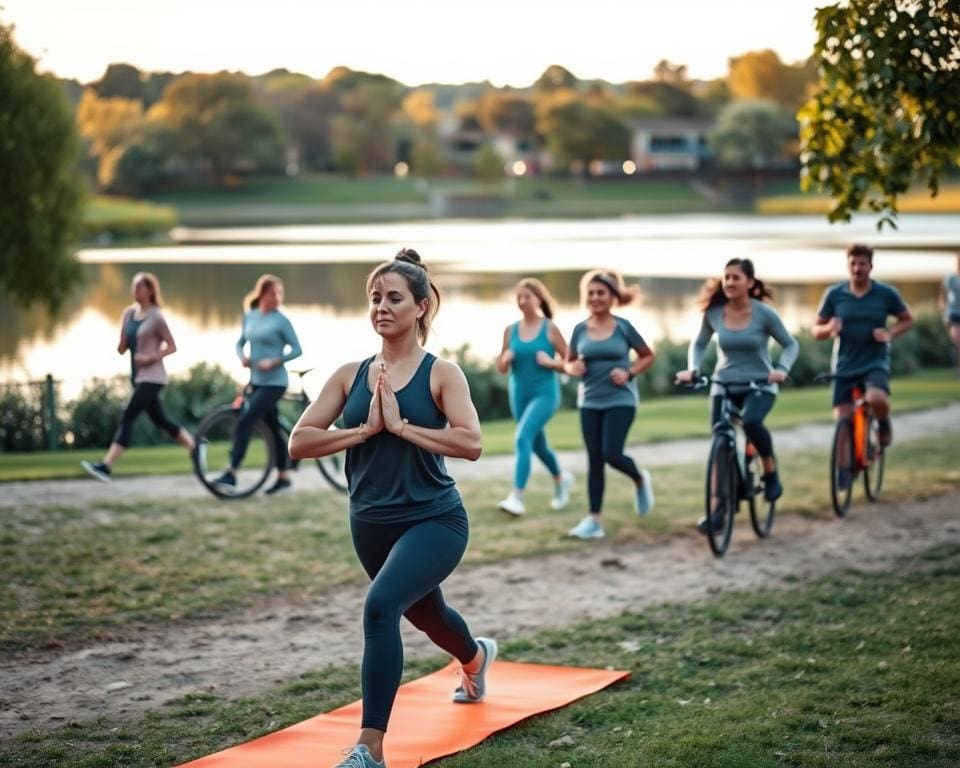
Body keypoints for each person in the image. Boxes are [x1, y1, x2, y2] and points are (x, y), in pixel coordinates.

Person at [288, 249, 495, 768]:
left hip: (434, 519)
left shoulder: (441, 373)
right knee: (429, 616)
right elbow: (299, 441)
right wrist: (363, 430)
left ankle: (369, 750)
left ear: (421, 307)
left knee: (380, 608)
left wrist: (403, 428)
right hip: (370, 523)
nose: (381, 307)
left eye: (394, 298)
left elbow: (471, 443)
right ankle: (474, 657)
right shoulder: (348, 375)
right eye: (375, 298)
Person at [676, 258, 799, 532]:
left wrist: (781, 369)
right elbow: (698, 344)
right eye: (727, 277)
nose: (730, 282)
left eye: (736, 277)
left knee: (752, 422)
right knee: (720, 442)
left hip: (760, 385)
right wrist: (693, 369)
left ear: (750, 283)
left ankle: (769, 471)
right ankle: (718, 511)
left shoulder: (763, 314)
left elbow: (790, 345)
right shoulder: (715, 313)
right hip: (724, 384)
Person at [563, 269, 655, 540]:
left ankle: (639, 478)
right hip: (590, 401)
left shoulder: (623, 326)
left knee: (611, 453)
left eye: (600, 292)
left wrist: (630, 372)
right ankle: (594, 521)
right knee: (595, 460)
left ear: (612, 296)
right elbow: (568, 362)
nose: (595, 298)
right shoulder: (580, 329)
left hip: (621, 399)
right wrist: (573, 367)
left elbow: (647, 355)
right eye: (590, 293)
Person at [812, 244, 913, 486]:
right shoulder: (834, 294)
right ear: (848, 265)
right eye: (853, 263)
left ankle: (884, 424)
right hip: (845, 365)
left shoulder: (885, 293)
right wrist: (829, 329)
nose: (857, 268)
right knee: (843, 418)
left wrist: (889, 334)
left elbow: (907, 319)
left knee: (877, 398)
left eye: (862, 264)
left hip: (874, 361)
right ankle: (844, 472)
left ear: (871, 266)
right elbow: (816, 330)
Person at [81, 272, 195, 482]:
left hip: (153, 376)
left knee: (128, 415)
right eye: (133, 287)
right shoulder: (128, 314)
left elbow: (172, 346)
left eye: (139, 288)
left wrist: (152, 357)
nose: (135, 291)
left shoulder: (156, 317)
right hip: (137, 376)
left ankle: (106, 466)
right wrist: (122, 338)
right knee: (160, 420)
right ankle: (195, 448)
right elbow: (123, 349)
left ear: (150, 290)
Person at [213, 274, 302, 495]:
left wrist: (274, 361)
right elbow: (239, 343)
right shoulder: (250, 317)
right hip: (257, 382)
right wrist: (242, 357)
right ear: (262, 294)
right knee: (272, 429)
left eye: (280, 293)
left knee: (245, 421)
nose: (277, 297)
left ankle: (231, 473)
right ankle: (284, 478)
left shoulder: (281, 320)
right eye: (273, 293)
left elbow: (297, 349)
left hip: (275, 383)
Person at [495, 277, 574, 516]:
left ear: (539, 299)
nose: (521, 301)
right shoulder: (510, 330)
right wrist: (505, 359)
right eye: (518, 297)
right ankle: (561, 479)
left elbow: (571, 363)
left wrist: (551, 363)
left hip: (545, 394)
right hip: (518, 394)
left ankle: (517, 497)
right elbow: (501, 368)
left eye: (526, 296)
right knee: (536, 444)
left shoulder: (549, 328)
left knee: (522, 438)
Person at [938, 252, 960, 376]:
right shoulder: (950, 279)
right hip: (954, 314)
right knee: (957, 342)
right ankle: (957, 367)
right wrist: (944, 312)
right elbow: (943, 296)